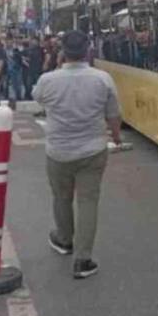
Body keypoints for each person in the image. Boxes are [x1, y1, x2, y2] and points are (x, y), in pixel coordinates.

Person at [33, 30, 122, 279]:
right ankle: (83, 260)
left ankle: (63, 240)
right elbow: (113, 115)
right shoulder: (102, 79)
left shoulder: (47, 80)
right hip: (93, 150)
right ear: (87, 51)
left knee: (61, 197)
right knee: (88, 201)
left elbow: (38, 99)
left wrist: (56, 66)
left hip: (58, 151)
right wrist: (116, 137)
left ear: (62, 51)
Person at [4, 37, 24, 107]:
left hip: (15, 69)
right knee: (5, 85)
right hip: (6, 70)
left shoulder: (16, 50)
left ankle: (18, 97)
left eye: (10, 42)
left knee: (16, 84)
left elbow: (20, 58)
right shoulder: (3, 50)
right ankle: (5, 98)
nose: (8, 43)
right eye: (7, 42)